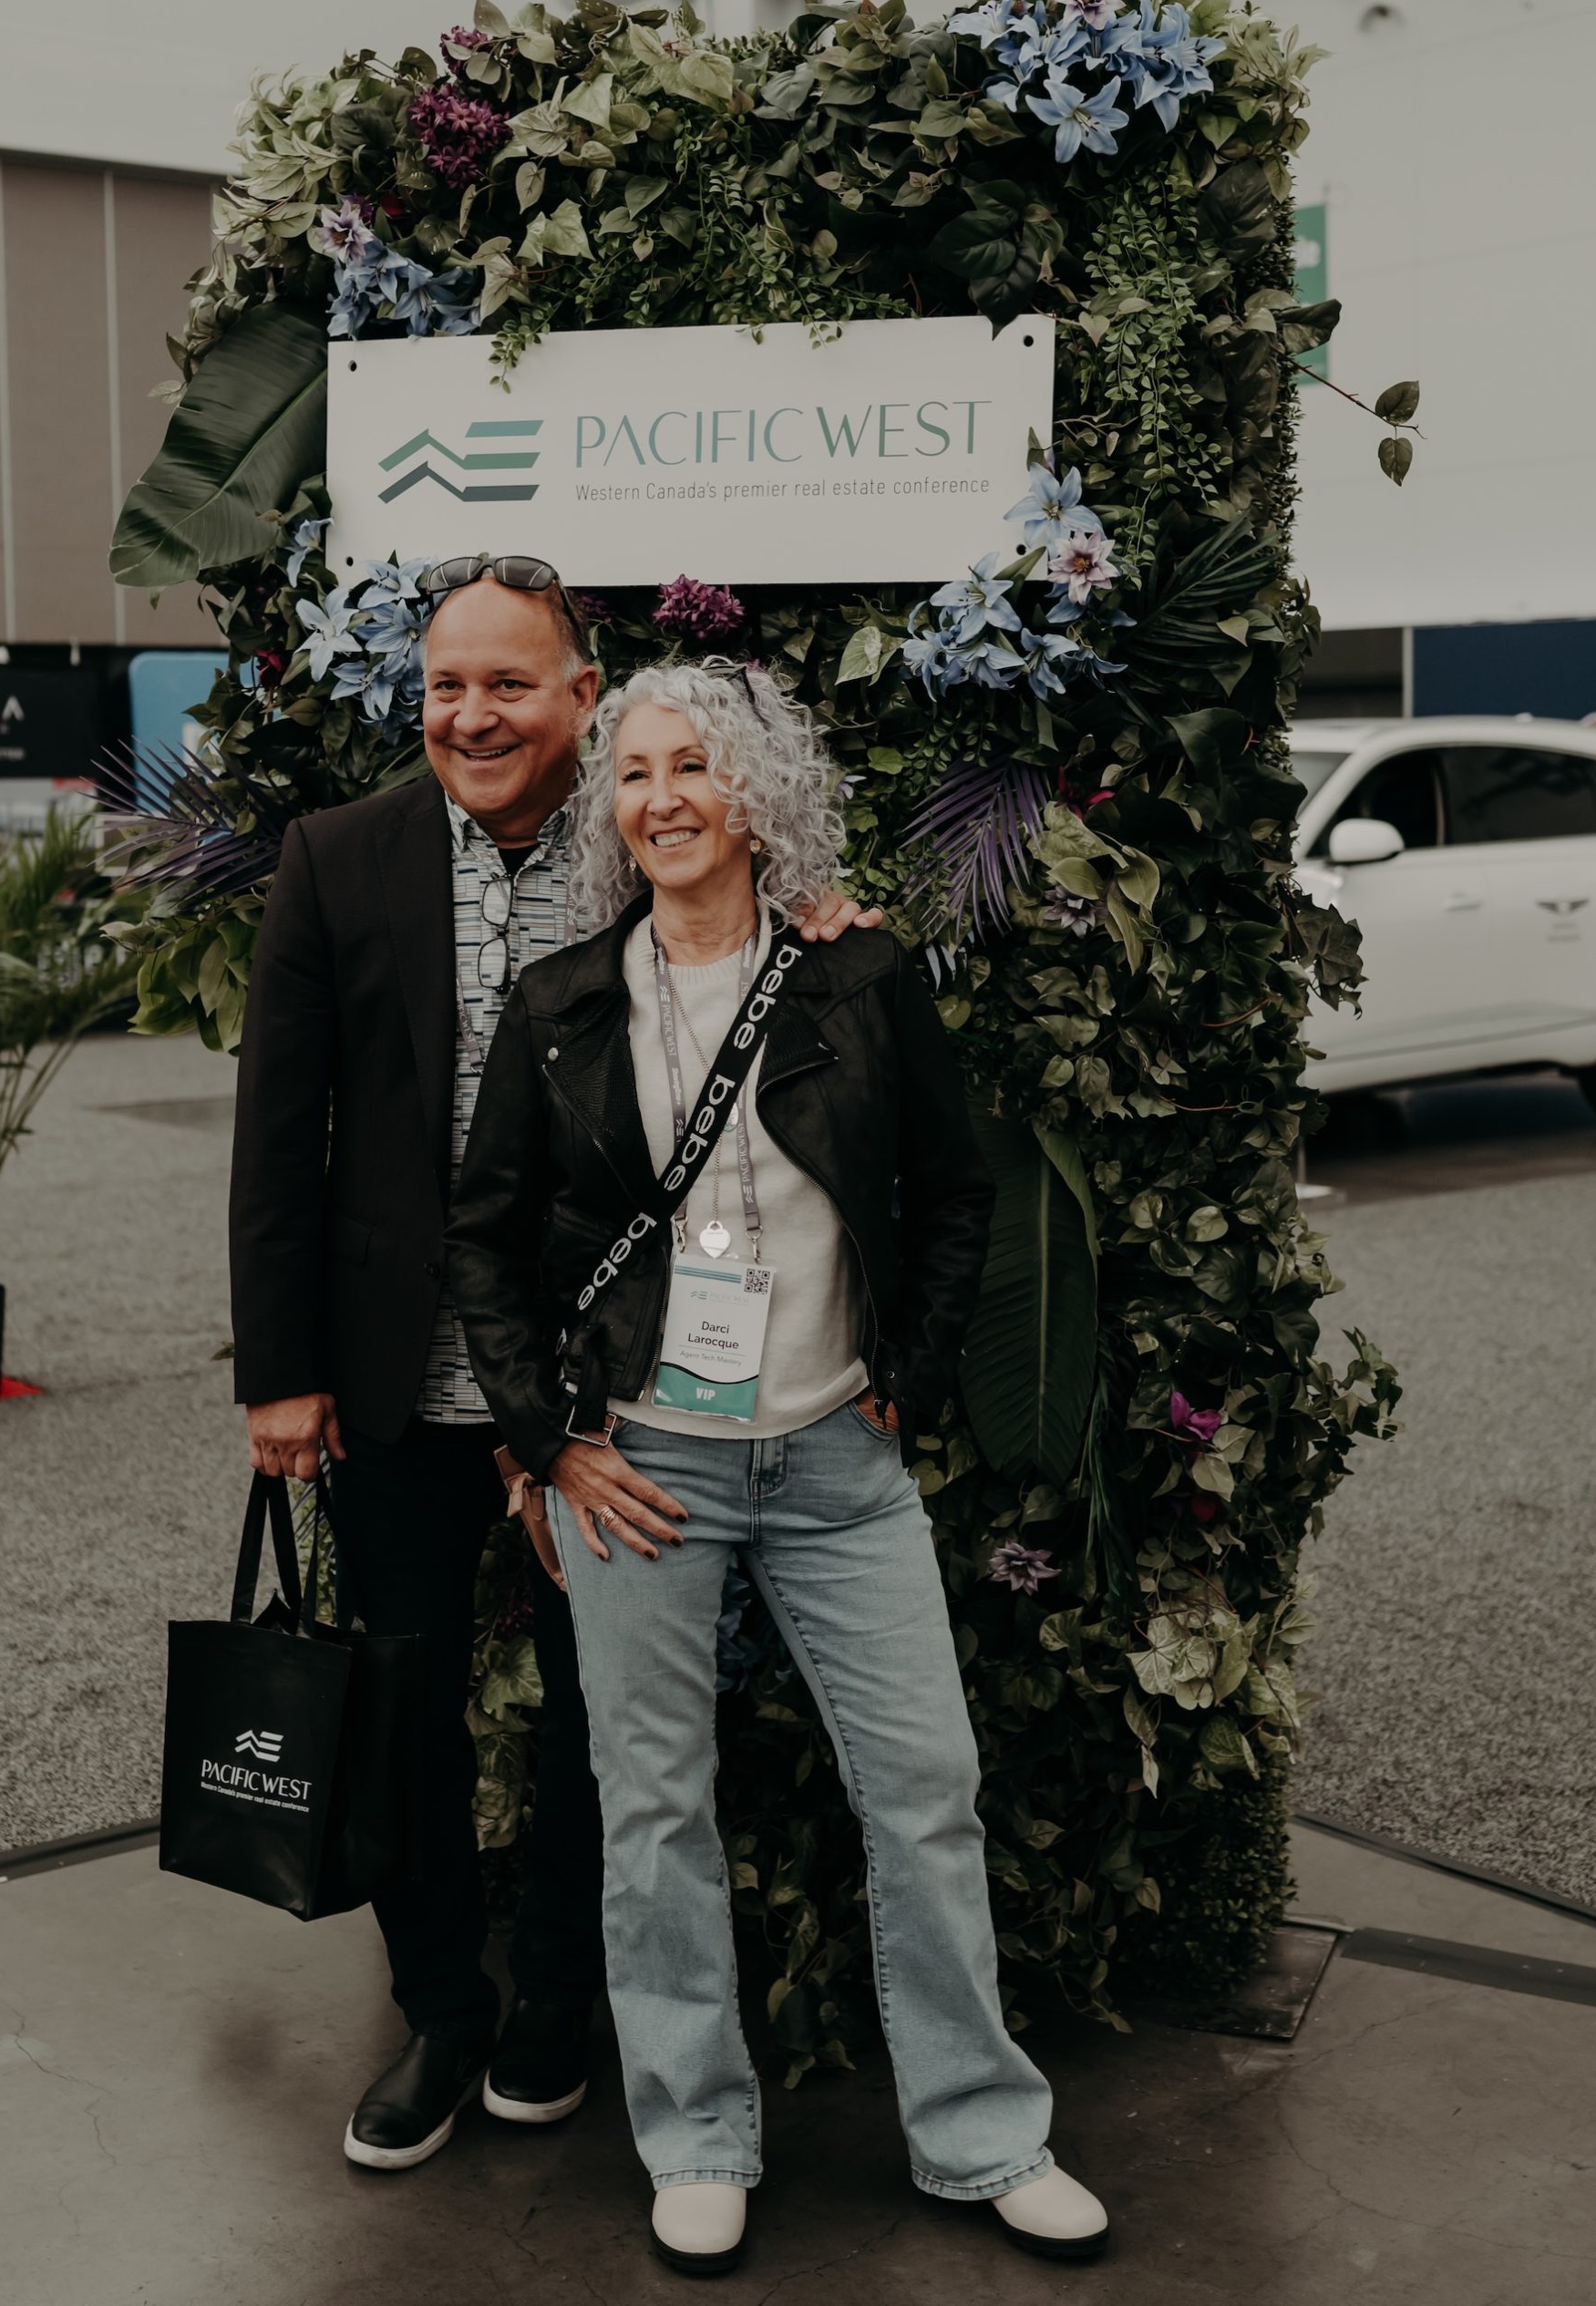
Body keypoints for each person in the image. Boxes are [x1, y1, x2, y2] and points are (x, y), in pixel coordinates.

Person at [447, 657, 1110, 2273]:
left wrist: (911, 1367)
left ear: (753, 794)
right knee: (654, 1812)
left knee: (925, 1795)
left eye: (692, 766)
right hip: (645, 1472)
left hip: (832, 1464)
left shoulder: (850, 978)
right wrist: (547, 1439)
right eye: (632, 773)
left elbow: (952, 1193)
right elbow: (483, 1243)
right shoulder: (560, 1009)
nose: (660, 797)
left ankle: (980, 2135)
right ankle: (693, 2136)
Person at [227, 557, 881, 2174]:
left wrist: (827, 919)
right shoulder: (336, 858)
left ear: (579, 697)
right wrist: (277, 1372)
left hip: (603, 1382)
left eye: (508, 684)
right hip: (390, 1384)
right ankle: (442, 2008)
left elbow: (760, 937)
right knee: (403, 1714)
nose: (471, 715)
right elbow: (275, 1131)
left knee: (615, 1715)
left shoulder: (635, 833)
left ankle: (555, 2008)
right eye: (446, 685)